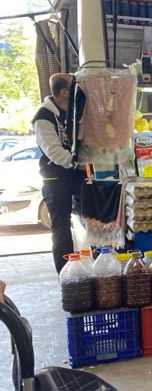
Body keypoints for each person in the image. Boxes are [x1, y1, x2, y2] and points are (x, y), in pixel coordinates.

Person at [33, 73, 86, 274]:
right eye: (74, 88)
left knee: (90, 219)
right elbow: (54, 152)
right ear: (64, 92)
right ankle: (66, 274)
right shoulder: (44, 116)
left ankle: (91, 265)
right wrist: (81, 165)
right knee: (61, 228)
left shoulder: (72, 111)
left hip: (76, 175)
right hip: (55, 178)